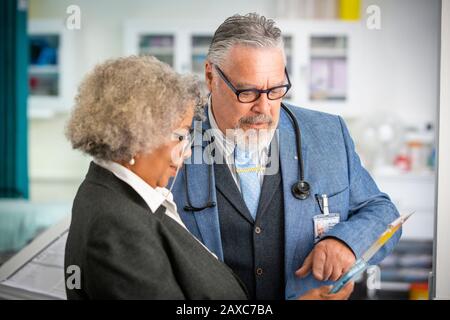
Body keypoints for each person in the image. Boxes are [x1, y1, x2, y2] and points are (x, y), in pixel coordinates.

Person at [64, 55, 353, 299]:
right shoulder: (117, 227)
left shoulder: (116, 193)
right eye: (179, 136)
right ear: (136, 139)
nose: (187, 152)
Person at [170, 13, 402, 300]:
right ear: (210, 77)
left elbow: (383, 214)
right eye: (248, 92)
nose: (264, 108)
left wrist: (347, 242)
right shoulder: (171, 142)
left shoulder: (328, 134)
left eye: (276, 89)